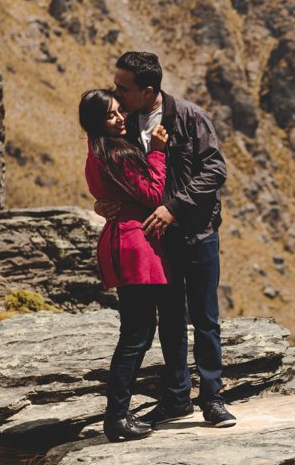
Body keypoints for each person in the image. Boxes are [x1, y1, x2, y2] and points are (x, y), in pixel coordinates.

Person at [97, 51, 236, 428]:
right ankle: (177, 399)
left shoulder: (190, 117)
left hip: (199, 234)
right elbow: (120, 174)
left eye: (123, 87)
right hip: (156, 243)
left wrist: (173, 207)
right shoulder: (123, 125)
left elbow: (215, 170)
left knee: (206, 319)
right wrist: (102, 200)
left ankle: (213, 400)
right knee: (171, 320)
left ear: (148, 89)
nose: (117, 93)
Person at [79, 88, 170, 442]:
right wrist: (159, 155)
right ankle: (116, 417)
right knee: (136, 335)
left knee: (137, 333)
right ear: (95, 123)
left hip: (121, 240)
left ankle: (119, 413)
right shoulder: (117, 151)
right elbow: (152, 195)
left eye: (120, 111)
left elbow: (102, 193)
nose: (120, 118)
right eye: (110, 115)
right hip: (135, 244)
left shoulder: (97, 152)